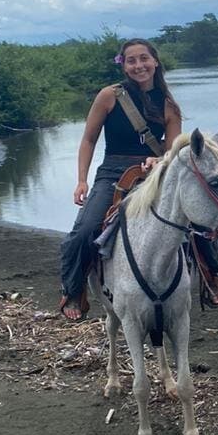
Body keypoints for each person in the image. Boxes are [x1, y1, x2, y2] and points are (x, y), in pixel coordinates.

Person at [58, 38, 182, 320]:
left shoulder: (170, 106)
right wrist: (81, 180)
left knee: (198, 227)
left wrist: (159, 160)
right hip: (113, 172)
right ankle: (73, 289)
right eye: (131, 60)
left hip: (153, 174)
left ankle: (211, 280)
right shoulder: (109, 95)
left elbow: (173, 151)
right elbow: (89, 139)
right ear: (124, 65)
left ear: (155, 62)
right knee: (84, 230)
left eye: (144, 59)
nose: (139, 65)